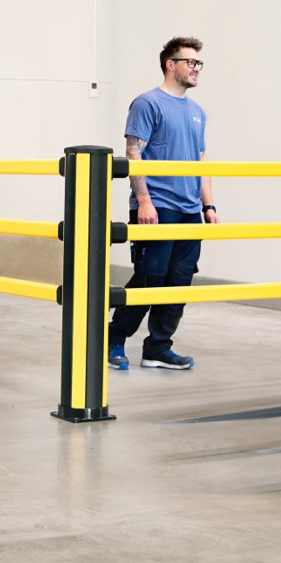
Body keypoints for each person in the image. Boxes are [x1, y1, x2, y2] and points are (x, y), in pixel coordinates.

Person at [107, 36, 218, 371]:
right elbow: (133, 152)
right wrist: (144, 201)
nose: (196, 69)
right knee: (149, 279)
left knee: (179, 283)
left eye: (199, 63)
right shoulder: (147, 103)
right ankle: (114, 338)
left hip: (188, 211)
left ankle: (158, 347)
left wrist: (208, 206)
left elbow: (201, 162)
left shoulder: (197, 112)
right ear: (171, 64)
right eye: (191, 62)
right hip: (156, 207)